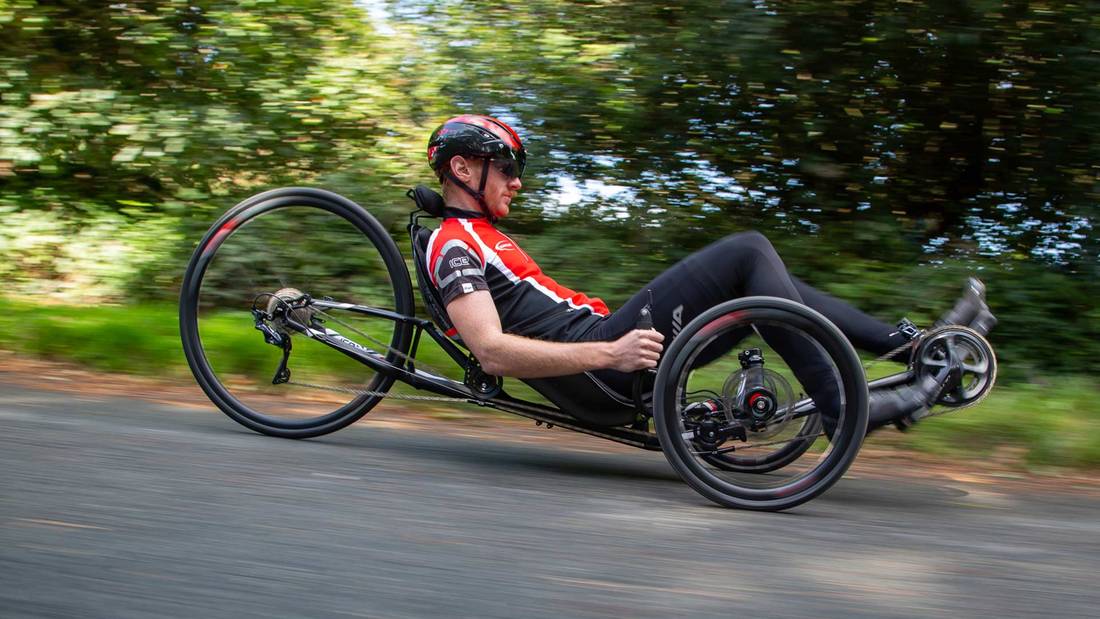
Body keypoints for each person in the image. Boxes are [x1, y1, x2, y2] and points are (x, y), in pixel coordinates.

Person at [423, 114, 995, 430]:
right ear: (462, 167)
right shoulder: (454, 246)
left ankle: (917, 346)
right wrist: (610, 354)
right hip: (608, 364)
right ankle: (845, 405)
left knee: (764, 289)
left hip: (610, 348)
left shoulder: (485, 238)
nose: (517, 180)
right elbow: (492, 352)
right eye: (506, 168)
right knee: (746, 253)